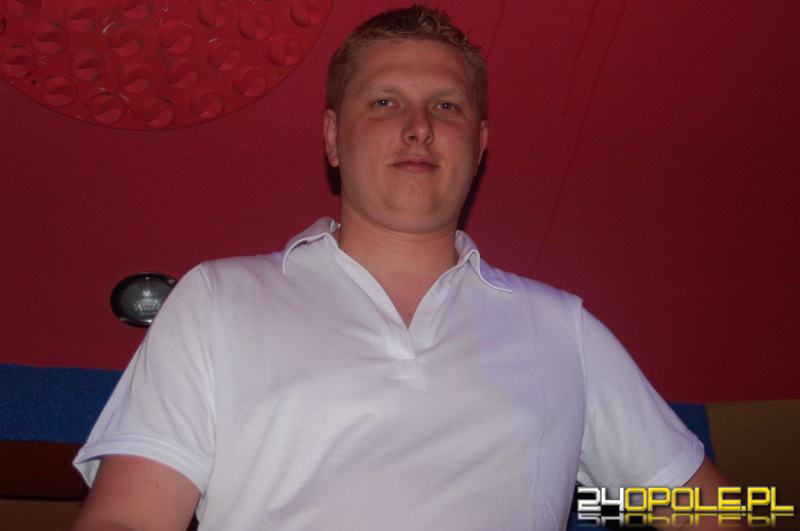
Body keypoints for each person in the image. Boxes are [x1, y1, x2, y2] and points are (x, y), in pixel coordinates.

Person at [73, 5, 734, 530]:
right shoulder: (217, 298)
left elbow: (724, 510)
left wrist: (605, 503)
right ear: (333, 137)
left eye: (446, 106)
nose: (419, 126)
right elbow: (130, 517)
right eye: (384, 102)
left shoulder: (563, 329)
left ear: (479, 143)